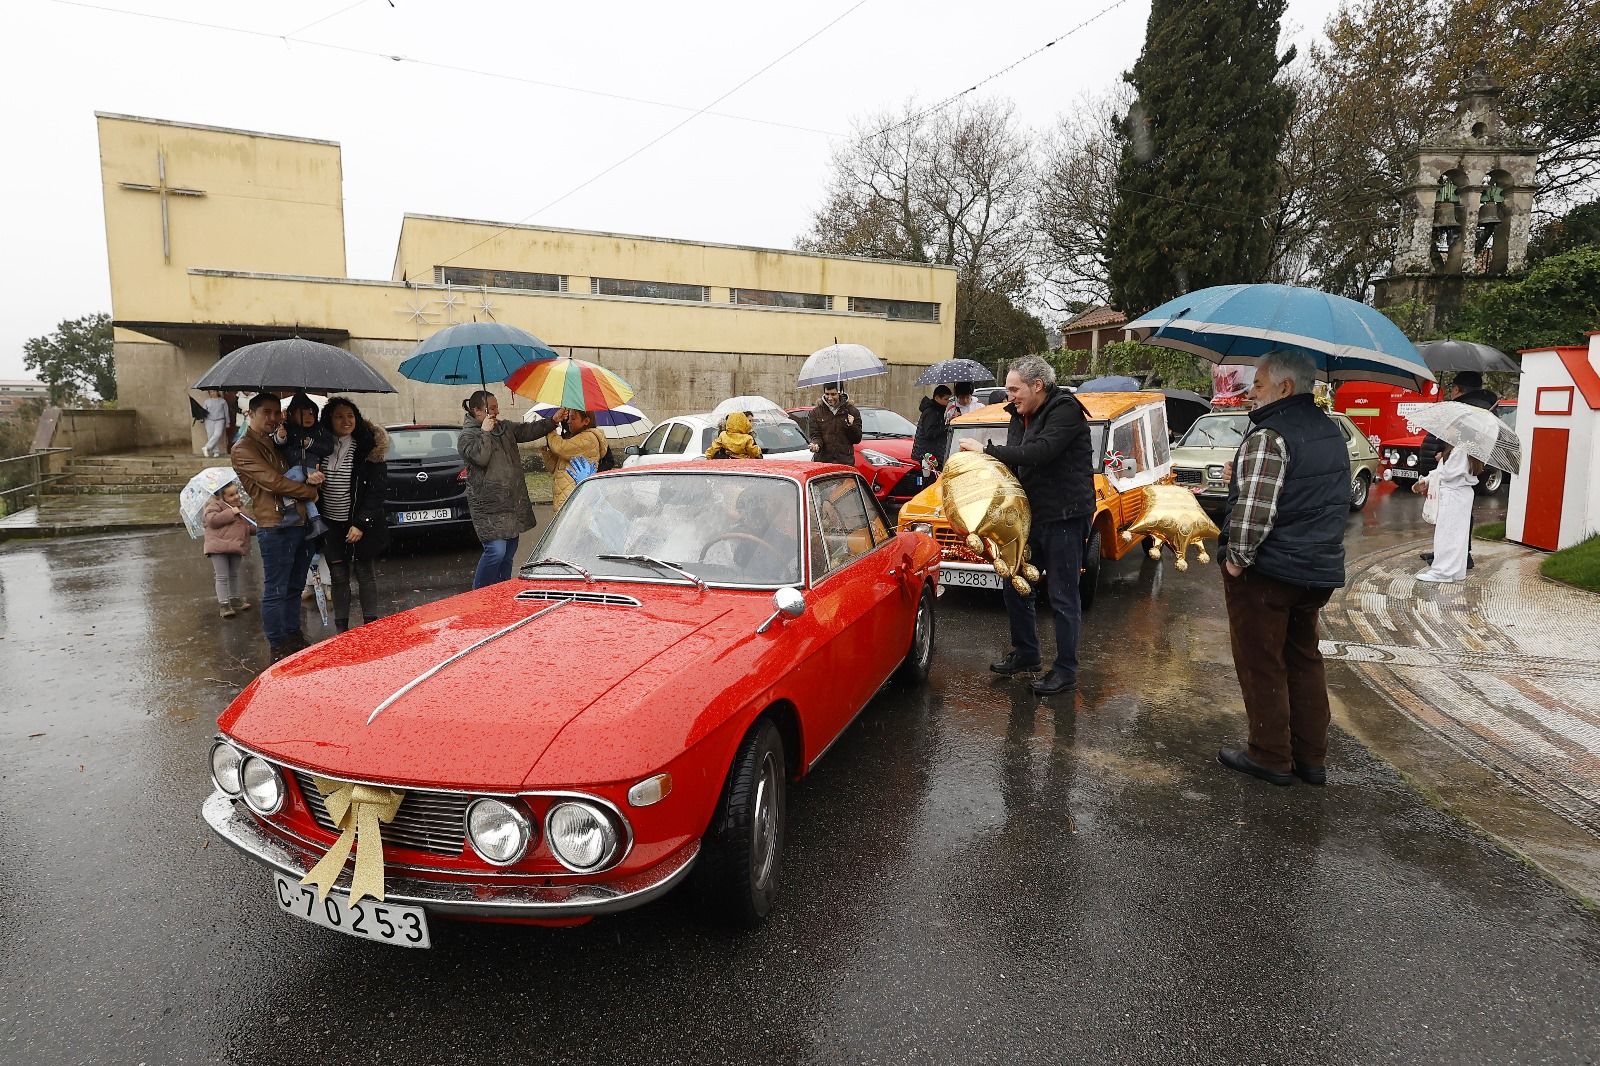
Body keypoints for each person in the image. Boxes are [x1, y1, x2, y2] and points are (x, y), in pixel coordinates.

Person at [1215, 350, 1349, 787]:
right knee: (1304, 659)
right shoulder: (1330, 431)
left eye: (1258, 383)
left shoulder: (1270, 434)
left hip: (1269, 573)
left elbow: (1255, 514)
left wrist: (1235, 562)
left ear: (1285, 387)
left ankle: (1270, 756)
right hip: (1316, 569)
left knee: (1262, 662)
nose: (1251, 392)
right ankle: (1311, 759)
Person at [958, 355, 1094, 697]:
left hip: (1065, 516)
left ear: (1038, 385)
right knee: (1013, 580)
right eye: (1007, 390)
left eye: (1014, 389)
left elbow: (1040, 452)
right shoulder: (1019, 414)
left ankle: (1065, 670)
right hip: (1031, 515)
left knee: (1063, 595)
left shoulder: (1066, 410)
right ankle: (1027, 653)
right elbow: (1018, 465)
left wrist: (987, 452)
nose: (1010, 396)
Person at [230, 392, 324, 662]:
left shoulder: (276, 443)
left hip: (298, 521)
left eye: (276, 412)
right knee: (276, 589)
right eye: (266, 413)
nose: (273, 418)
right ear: (251, 414)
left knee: (295, 586)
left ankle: (293, 635)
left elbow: (295, 470)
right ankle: (278, 645)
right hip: (275, 525)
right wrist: (309, 492)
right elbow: (273, 482)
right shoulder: (243, 448)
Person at [459, 390, 557, 589]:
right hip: (489, 506)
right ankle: (479, 593)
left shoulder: (503, 428)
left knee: (509, 551)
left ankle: (502, 591)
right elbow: (481, 458)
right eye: (491, 408)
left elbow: (527, 430)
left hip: (511, 501)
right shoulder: (467, 436)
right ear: (477, 410)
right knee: (496, 551)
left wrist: (552, 421)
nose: (496, 411)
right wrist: (485, 432)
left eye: (496, 407)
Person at [317, 397, 390, 631]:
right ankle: (342, 630)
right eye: (339, 416)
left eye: (350, 415)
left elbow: (376, 492)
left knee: (364, 572)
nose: (345, 421)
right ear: (329, 419)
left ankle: (370, 626)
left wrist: (361, 523)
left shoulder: (368, 449)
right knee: (339, 576)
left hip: (360, 525)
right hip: (331, 524)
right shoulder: (320, 449)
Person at [1419, 371, 1498, 571]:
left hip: (1462, 467)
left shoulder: (1467, 408)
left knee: (1452, 516)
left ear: (1457, 389)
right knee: (1457, 515)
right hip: (1474, 467)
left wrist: (1444, 455)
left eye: (1453, 388)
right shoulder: (1485, 406)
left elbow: (1462, 440)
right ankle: (1451, 554)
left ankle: (1458, 556)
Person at [1413, 443, 1481, 583]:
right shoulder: (1468, 448)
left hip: (1453, 494)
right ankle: (1456, 571)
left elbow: (1447, 474)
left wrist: (1427, 479)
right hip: (1459, 494)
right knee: (1457, 535)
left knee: (1447, 534)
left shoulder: (1462, 449)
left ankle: (1442, 572)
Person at [275, 392, 333, 538]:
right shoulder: (289, 428)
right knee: (302, 492)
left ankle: (291, 511)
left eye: (311, 413)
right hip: (297, 467)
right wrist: (281, 436)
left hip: (308, 468)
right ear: (292, 414)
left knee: (281, 484)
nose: (308, 417)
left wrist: (310, 444)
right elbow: (280, 446)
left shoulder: (319, 430)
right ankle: (316, 521)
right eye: (303, 414)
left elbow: (328, 447)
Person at [202, 481, 255, 618]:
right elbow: (212, 521)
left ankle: (234, 598)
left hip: (235, 546)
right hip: (218, 547)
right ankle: (224, 604)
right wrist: (231, 512)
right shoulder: (213, 507)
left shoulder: (240, 507)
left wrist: (255, 528)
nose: (236, 497)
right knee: (221, 576)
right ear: (221, 497)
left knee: (233, 574)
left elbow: (246, 524)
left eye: (236, 493)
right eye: (231, 495)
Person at [541, 409, 608, 511]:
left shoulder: (588, 438)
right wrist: (548, 449)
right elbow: (554, 468)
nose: (568, 421)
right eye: (569, 417)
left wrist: (550, 429)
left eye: (573, 418)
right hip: (566, 497)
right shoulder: (574, 440)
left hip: (573, 499)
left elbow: (560, 448)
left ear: (586, 421)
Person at [808, 383, 861, 464]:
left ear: (840, 393)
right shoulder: (815, 412)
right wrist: (816, 445)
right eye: (827, 394)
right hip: (823, 463)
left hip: (845, 462)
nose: (830, 398)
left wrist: (851, 426)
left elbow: (857, 439)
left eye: (833, 394)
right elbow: (815, 435)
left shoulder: (852, 411)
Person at [912, 385, 952, 485]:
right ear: (937, 398)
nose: (947, 402)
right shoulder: (931, 412)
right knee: (928, 484)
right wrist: (947, 426)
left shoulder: (937, 410)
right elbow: (930, 433)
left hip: (931, 455)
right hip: (928, 456)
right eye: (946, 399)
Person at [200, 391, 230, 457]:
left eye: (213, 391)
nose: (212, 393)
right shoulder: (207, 401)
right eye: (210, 392)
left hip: (220, 420)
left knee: (217, 434)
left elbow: (226, 412)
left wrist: (227, 422)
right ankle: (215, 451)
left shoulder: (223, 401)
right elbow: (204, 412)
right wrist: (202, 418)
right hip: (209, 420)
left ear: (217, 392)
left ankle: (206, 447)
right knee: (211, 436)